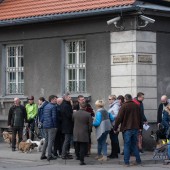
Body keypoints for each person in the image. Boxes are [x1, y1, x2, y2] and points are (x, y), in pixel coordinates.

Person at [114, 94, 143, 166]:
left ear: (125, 99)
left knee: (127, 145)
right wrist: (140, 127)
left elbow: (119, 118)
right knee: (134, 145)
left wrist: (115, 127)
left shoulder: (124, 106)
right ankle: (138, 160)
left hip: (127, 128)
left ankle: (126, 162)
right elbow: (140, 117)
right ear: (131, 98)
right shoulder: (136, 106)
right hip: (135, 128)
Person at [40, 95, 58, 161]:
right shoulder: (53, 107)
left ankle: (43, 155)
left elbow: (44, 116)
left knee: (46, 141)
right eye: (55, 99)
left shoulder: (46, 106)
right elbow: (54, 117)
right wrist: (55, 126)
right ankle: (49, 156)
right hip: (51, 126)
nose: (56, 100)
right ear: (52, 99)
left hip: (45, 125)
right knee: (50, 141)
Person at [60, 92, 74, 159]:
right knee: (67, 140)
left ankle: (65, 153)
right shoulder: (66, 105)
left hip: (65, 125)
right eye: (69, 97)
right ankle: (63, 154)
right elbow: (69, 115)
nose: (70, 98)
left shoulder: (63, 104)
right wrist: (73, 113)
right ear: (65, 97)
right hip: (67, 125)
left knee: (66, 140)